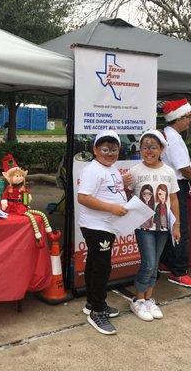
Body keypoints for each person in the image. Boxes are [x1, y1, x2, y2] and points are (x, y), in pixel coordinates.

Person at [77, 130, 131, 335]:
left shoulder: (111, 169)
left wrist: (124, 187)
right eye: (105, 149)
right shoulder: (93, 170)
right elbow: (83, 197)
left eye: (114, 149)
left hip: (107, 226)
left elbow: (112, 193)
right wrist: (111, 208)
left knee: (94, 263)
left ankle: (92, 303)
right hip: (97, 226)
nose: (109, 153)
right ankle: (98, 311)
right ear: (95, 150)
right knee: (102, 267)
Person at [126, 130, 180, 321]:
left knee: (155, 264)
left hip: (164, 225)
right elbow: (126, 198)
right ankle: (138, 299)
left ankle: (149, 299)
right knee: (148, 263)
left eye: (153, 147)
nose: (149, 151)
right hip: (143, 225)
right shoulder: (135, 171)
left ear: (161, 149)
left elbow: (173, 199)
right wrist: (124, 186)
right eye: (145, 147)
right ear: (140, 149)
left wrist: (177, 225)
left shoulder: (168, 172)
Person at [160, 98, 191, 288]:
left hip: (168, 184)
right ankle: (180, 270)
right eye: (188, 116)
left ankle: (167, 262)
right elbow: (183, 167)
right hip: (177, 184)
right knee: (180, 228)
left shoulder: (169, 134)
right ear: (178, 118)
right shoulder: (174, 138)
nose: (190, 120)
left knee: (169, 224)